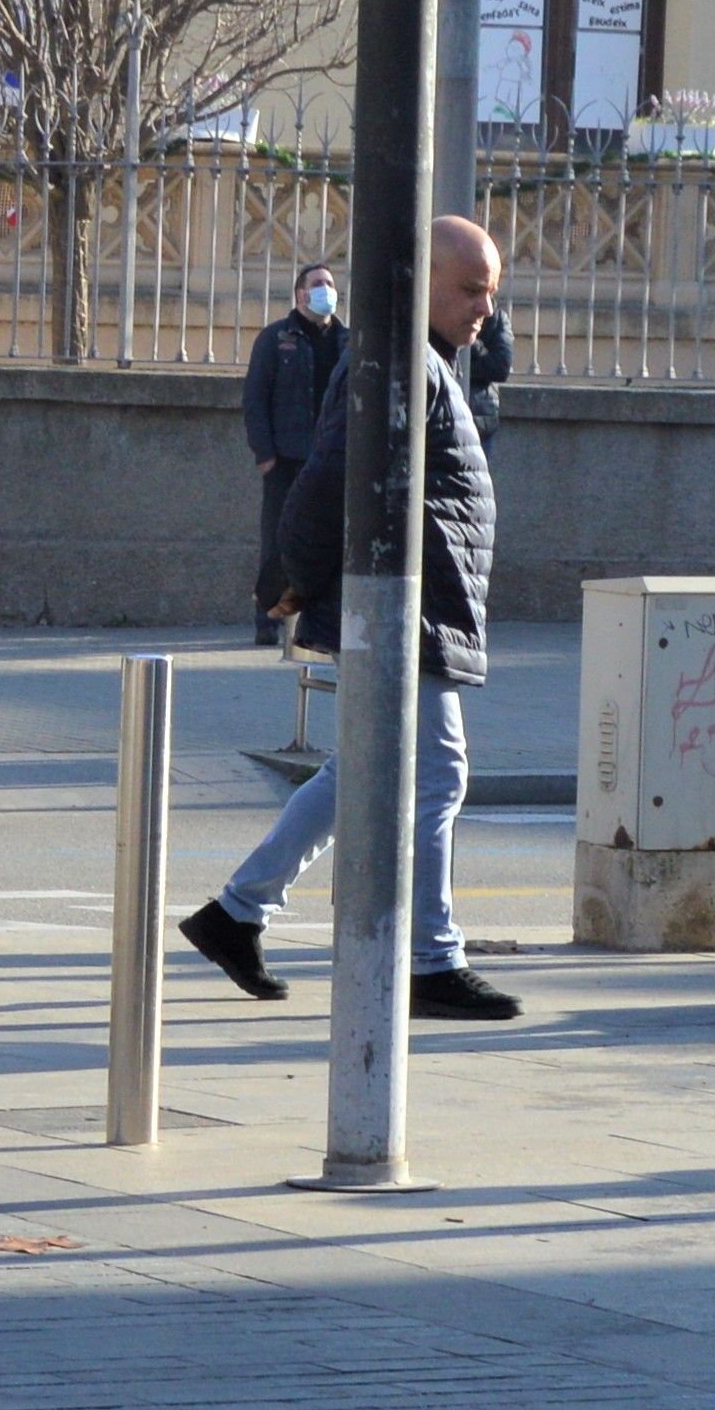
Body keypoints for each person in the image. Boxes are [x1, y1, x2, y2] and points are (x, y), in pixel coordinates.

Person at [174, 214, 520, 1023]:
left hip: (418, 603)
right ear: (418, 280)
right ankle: (430, 960)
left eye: (491, 294)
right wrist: (291, 572)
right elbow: (328, 476)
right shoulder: (394, 365)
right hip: (407, 608)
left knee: (358, 770)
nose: (483, 309)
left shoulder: (424, 364)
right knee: (437, 776)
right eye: (470, 290)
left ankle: (235, 914)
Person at [239, 264, 344, 648]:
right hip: (287, 459)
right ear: (300, 294)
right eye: (318, 284)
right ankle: (267, 621)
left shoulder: (348, 341)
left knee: (330, 542)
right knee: (278, 542)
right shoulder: (275, 338)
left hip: (332, 461)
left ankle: (318, 624)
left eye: (330, 284)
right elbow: (254, 399)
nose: (326, 290)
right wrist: (265, 455)